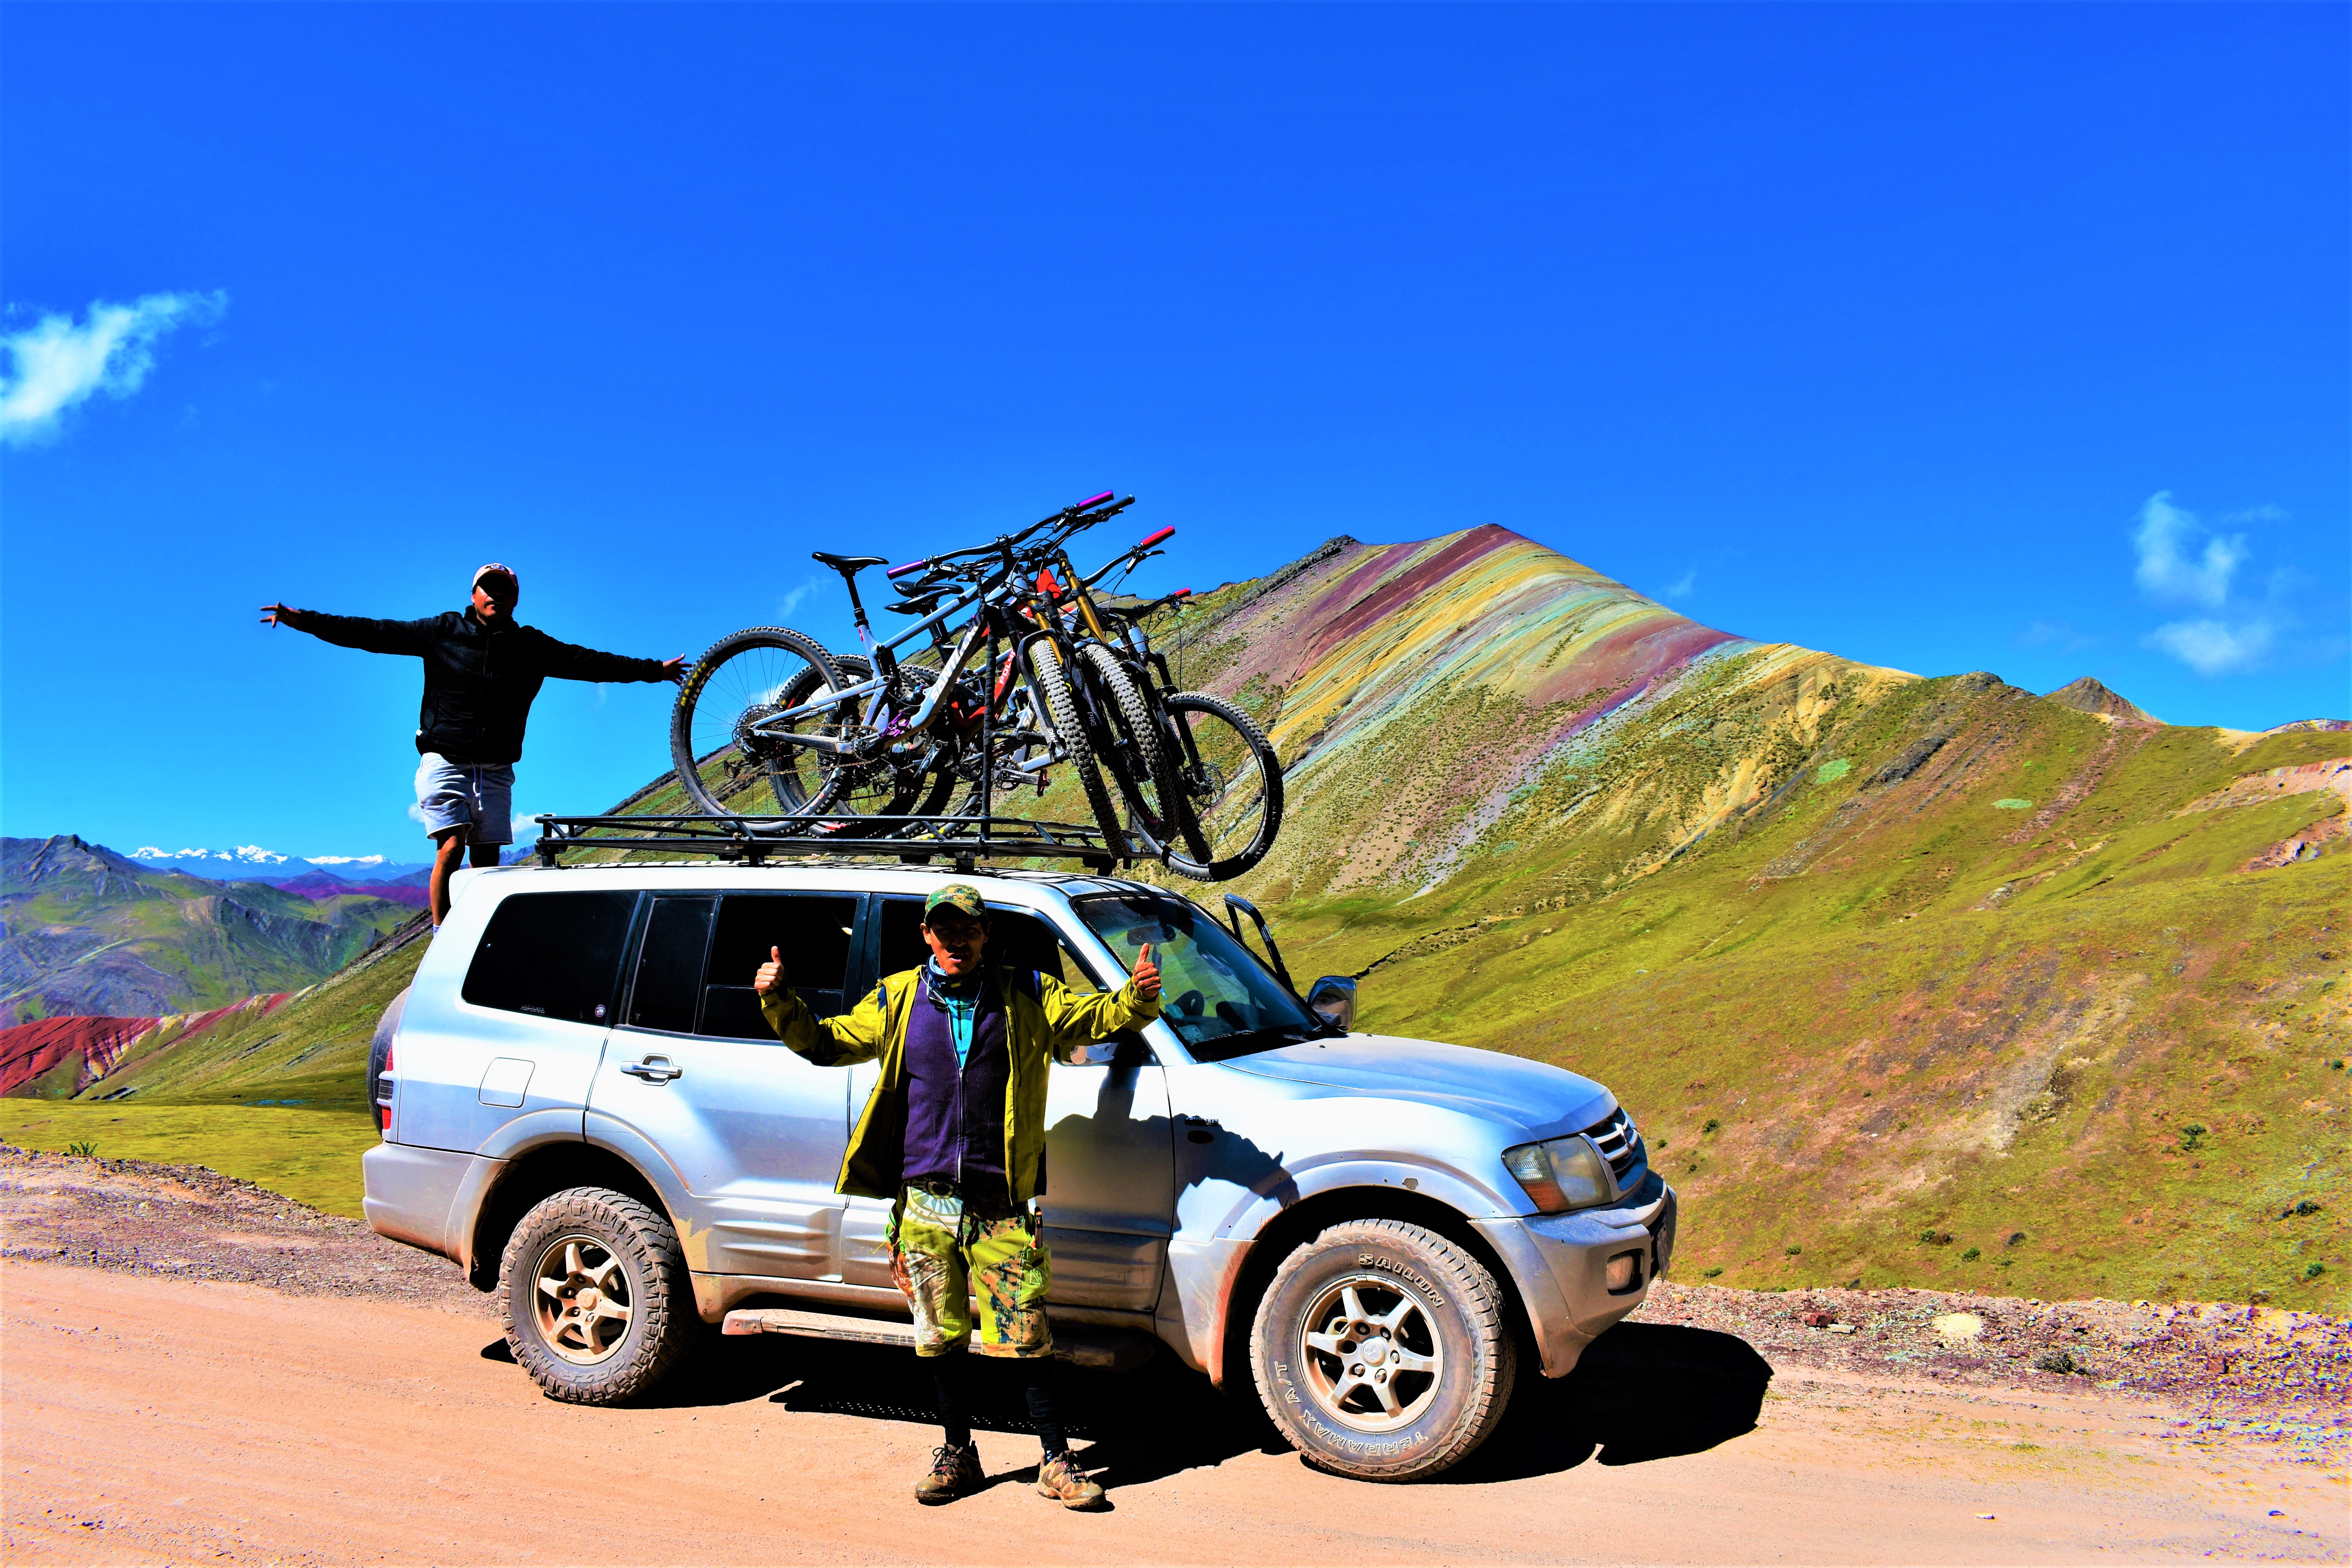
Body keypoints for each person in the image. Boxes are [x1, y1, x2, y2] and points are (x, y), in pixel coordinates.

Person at [753, 884, 1163, 1509]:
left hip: (998, 1201)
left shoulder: (1026, 992)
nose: (957, 943)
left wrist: (1136, 997)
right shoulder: (896, 999)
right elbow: (827, 1043)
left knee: (1027, 1330)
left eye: (968, 930)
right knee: (938, 1335)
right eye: (944, 932)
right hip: (926, 1200)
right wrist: (779, 1000)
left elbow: (1095, 1018)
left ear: (985, 935)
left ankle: (1055, 1460)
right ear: (926, 935)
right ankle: (958, 1453)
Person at [261, 563, 683, 927]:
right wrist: (304, 620)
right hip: (444, 758)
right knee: (452, 844)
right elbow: (374, 633)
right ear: (474, 595)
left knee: (487, 859)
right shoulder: (443, 631)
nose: (496, 596)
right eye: (490, 588)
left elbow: (590, 662)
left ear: (515, 599)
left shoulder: (531, 646)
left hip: (496, 768)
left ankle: (480, 931)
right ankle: (441, 931)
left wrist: (654, 671)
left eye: (505, 590)